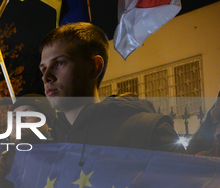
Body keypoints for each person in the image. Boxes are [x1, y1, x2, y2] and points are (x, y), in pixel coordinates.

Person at [38, 22, 184, 153]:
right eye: (43, 69)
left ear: (94, 67)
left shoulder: (148, 131)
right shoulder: (48, 144)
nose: (46, 77)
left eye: (60, 63)